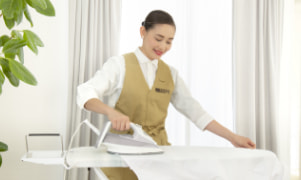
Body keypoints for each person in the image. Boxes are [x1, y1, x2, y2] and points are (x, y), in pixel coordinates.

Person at [77, 9, 256, 180]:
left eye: (169, 41)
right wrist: (111, 112)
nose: (163, 46)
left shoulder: (170, 74)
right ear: (143, 31)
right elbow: (85, 92)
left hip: (158, 155)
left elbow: (196, 112)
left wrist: (233, 137)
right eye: (159, 38)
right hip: (122, 155)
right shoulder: (119, 65)